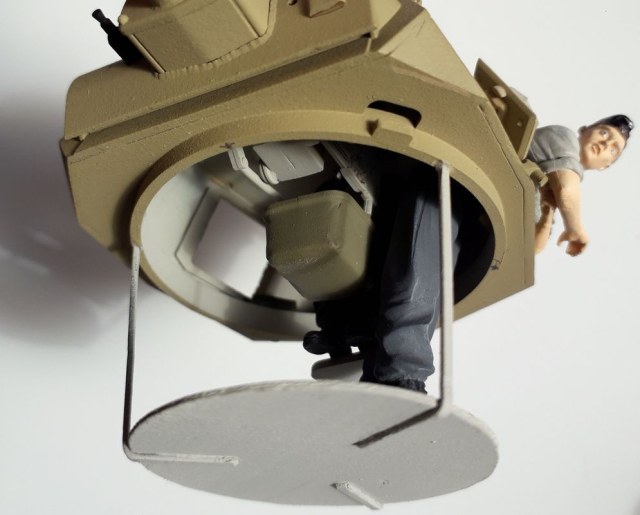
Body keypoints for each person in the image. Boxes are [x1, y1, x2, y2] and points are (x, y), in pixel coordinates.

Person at [530, 114, 633, 255]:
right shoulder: (564, 137)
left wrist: (546, 218)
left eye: (613, 150)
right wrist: (575, 230)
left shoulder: (556, 189)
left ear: (605, 166)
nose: (605, 144)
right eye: (604, 133)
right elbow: (565, 189)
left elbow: (532, 248)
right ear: (584, 130)